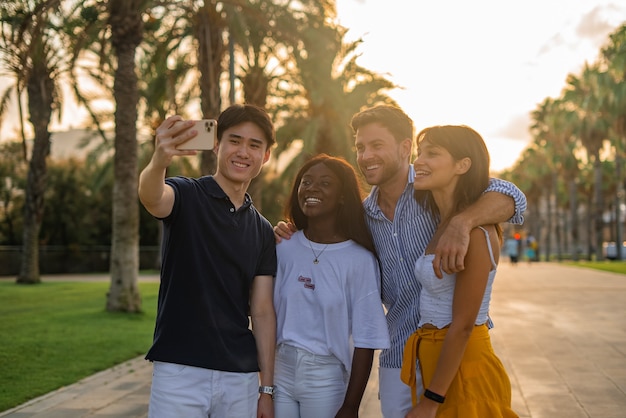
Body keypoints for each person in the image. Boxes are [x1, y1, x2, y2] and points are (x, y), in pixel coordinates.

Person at [275, 105, 526, 418]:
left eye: (376, 146)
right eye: (360, 148)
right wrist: (289, 231)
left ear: (405, 147)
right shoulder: (361, 216)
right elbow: (321, 232)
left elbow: (513, 196)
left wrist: (463, 222)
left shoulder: (435, 188)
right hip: (398, 357)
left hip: (454, 353)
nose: (365, 156)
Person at [138, 104, 277, 418]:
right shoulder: (186, 194)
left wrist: (266, 389)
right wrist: (160, 159)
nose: (243, 152)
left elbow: (263, 311)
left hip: (240, 379)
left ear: (265, 156)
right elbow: (152, 197)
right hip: (179, 373)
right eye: (235, 140)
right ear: (217, 144)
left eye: (254, 145)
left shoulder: (263, 230)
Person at [401, 125, 518, 417]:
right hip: (437, 363)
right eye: (420, 153)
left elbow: (464, 324)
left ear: (463, 165)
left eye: (433, 153)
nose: (420, 161)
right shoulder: (444, 222)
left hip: (465, 369)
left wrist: (431, 400)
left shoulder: (476, 231)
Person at [273, 154, 390, 418]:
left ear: (342, 196)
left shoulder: (359, 259)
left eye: (325, 183)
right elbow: (262, 311)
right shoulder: (283, 247)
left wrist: (351, 406)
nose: (312, 188)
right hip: (279, 371)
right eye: (306, 182)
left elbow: (366, 339)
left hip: (325, 377)